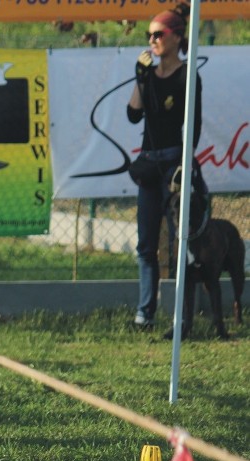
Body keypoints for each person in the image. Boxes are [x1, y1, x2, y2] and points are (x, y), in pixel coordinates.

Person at [127, 3, 203, 328]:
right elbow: (133, 115)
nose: (153, 40)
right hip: (149, 162)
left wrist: (185, 166)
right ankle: (145, 313)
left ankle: (182, 317)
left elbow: (194, 125)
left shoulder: (187, 75)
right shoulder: (150, 75)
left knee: (178, 243)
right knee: (146, 244)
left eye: (159, 34)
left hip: (173, 162)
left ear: (177, 37)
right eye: (149, 35)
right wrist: (140, 78)